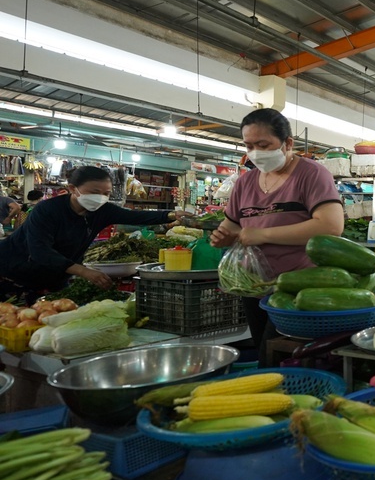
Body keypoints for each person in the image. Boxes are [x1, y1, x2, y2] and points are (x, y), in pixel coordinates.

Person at [210, 108, 344, 366]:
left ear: (287, 143)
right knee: (264, 347)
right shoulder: (244, 184)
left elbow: (330, 226)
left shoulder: (312, 174)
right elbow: (232, 226)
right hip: (253, 286)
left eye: (263, 144)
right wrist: (224, 237)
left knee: (278, 358)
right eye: (249, 145)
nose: (255, 152)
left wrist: (263, 234)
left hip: (299, 285)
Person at [0, 166, 189, 300]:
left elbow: (136, 217)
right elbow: (40, 252)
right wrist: (84, 272)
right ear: (73, 189)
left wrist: (173, 214)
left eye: (106, 193)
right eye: (94, 191)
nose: (101, 197)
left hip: (54, 278)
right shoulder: (47, 210)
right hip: (13, 272)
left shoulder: (102, 211)